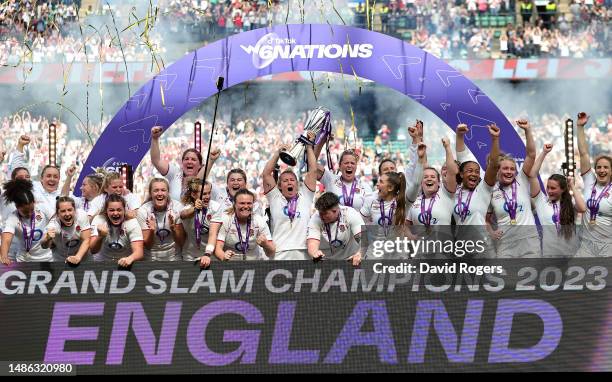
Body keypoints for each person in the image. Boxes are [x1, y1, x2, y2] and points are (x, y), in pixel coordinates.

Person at [487, 119, 540, 258]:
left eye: (512, 169)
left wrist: (528, 130)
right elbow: (485, 219)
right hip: (506, 244)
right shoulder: (491, 191)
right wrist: (491, 232)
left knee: (530, 279)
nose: (509, 172)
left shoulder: (521, 181)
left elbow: (531, 155)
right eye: (505, 168)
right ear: (498, 170)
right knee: (507, 279)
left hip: (529, 241)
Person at [262, 138, 318, 260]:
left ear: (297, 184)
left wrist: (309, 146)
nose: (289, 183)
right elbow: (266, 174)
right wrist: (277, 154)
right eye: (285, 181)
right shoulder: (275, 198)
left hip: (304, 252)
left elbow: (313, 171)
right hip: (280, 253)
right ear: (280, 186)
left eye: (292, 180)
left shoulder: (305, 196)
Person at [529, 143, 587, 257]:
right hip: (549, 257)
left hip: (571, 257)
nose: (549, 191)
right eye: (548, 187)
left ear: (562, 189)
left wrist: (572, 186)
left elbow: (582, 208)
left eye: (553, 188)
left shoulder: (569, 204)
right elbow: (532, 175)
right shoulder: (541, 201)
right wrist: (544, 153)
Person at [203, 189, 274, 263]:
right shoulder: (226, 219)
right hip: (230, 265)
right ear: (235, 204)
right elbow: (218, 248)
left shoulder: (259, 221)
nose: (246, 206)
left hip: (254, 265)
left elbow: (271, 253)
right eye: (242, 203)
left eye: (249, 203)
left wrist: (266, 244)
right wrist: (223, 256)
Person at [575, 112, 612, 257]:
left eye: (606, 167)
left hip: (607, 247)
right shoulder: (590, 180)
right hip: (586, 245)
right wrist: (580, 127)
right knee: (572, 278)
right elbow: (584, 153)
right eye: (599, 167)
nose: (601, 170)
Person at [150, 126, 217, 201]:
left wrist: (211, 161)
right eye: (186, 159)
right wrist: (155, 139)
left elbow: (197, 180)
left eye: (193, 159)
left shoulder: (204, 183)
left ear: (200, 165)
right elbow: (156, 161)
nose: (189, 161)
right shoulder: (175, 173)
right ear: (182, 163)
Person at [407, 138, 459, 228]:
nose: (429, 179)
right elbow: (406, 226)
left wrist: (447, 147)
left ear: (439, 182)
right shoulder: (414, 201)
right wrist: (411, 237)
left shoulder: (446, 196)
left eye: (433, 177)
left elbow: (451, 172)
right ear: (421, 183)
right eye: (425, 177)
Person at [0, 179, 53, 264]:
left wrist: (50, 228)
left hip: (46, 259)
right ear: (17, 207)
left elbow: (56, 218)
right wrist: (4, 256)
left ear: (34, 202)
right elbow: (6, 239)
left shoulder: (43, 208)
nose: (29, 213)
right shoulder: (13, 218)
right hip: (24, 261)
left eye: (32, 209)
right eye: (25, 211)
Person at [8, 135, 61, 216]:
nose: (52, 179)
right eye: (49, 176)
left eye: (55, 176)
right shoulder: (32, 187)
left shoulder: (61, 193)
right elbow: (17, 169)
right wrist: (20, 145)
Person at [308, 192, 364, 266]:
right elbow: (312, 242)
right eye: (320, 213)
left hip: (351, 258)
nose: (321, 216)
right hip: (326, 261)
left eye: (324, 213)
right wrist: (314, 252)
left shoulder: (350, 213)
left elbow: (364, 239)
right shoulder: (316, 218)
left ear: (335, 210)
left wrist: (360, 253)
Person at [137, 178, 185, 261]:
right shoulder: (143, 211)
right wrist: (152, 231)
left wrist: (173, 229)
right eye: (156, 190)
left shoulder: (177, 208)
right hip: (151, 258)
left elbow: (181, 242)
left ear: (168, 193)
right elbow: (147, 246)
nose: (160, 193)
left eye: (163, 190)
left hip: (173, 257)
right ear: (150, 193)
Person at [89, 194, 144, 266]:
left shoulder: (132, 223)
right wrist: (99, 237)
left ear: (124, 210)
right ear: (106, 211)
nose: (115, 213)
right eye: (111, 210)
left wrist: (129, 258)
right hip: (102, 263)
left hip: (124, 263)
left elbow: (139, 252)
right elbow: (93, 250)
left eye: (119, 210)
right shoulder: (99, 220)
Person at [180, 178, 222, 263]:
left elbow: (213, 234)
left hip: (210, 255)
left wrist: (207, 254)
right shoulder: (187, 208)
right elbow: (183, 215)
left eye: (209, 193)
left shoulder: (215, 207)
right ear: (193, 194)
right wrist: (194, 209)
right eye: (204, 194)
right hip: (190, 255)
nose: (208, 197)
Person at [41, 196, 91, 263]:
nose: (67, 214)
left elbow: (86, 240)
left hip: (83, 258)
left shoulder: (82, 216)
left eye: (70, 210)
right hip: (61, 261)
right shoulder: (53, 225)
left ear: (75, 210)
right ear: (57, 213)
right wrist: (47, 238)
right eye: (63, 211)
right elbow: (44, 246)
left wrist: (77, 257)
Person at [0, 167, 31, 262]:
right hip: (9, 248)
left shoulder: (35, 196)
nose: (24, 179)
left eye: (27, 176)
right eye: (21, 177)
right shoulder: (3, 197)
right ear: (13, 180)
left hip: (30, 249)